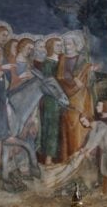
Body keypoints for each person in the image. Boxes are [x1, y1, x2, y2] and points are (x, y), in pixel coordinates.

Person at [57, 31, 96, 160]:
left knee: (79, 122)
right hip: (64, 95)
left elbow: (88, 81)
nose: (67, 46)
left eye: (69, 44)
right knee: (66, 123)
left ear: (76, 45)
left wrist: (89, 72)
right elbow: (59, 77)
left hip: (80, 96)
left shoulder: (83, 60)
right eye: (65, 44)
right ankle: (67, 156)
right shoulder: (61, 58)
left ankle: (80, 156)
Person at [41, 36, 63, 165]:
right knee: (52, 127)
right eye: (57, 45)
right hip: (52, 99)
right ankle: (49, 158)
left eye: (61, 45)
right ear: (51, 47)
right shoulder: (48, 63)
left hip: (62, 97)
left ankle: (60, 156)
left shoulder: (61, 61)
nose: (60, 47)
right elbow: (48, 83)